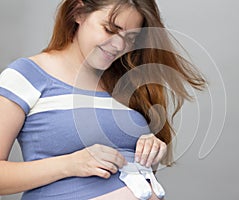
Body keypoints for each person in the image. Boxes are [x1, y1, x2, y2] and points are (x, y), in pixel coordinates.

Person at [0, 0, 205, 199]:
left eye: (131, 38)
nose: (119, 45)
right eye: (110, 29)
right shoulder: (27, 76)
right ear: (78, 12)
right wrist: (69, 164)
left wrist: (148, 150)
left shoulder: (126, 84)